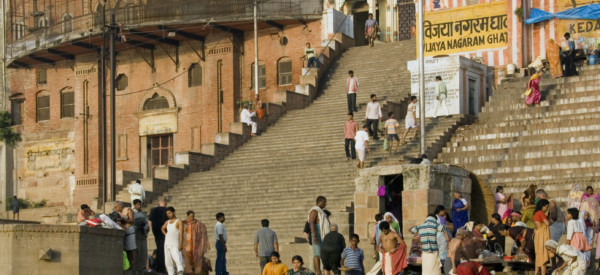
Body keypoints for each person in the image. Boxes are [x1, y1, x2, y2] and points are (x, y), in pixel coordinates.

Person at [308, 196, 330, 275]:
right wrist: (315, 236)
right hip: (316, 232)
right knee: (316, 253)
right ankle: (318, 271)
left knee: (322, 253)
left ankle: (323, 270)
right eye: (324, 202)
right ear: (320, 202)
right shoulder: (314, 210)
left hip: (322, 234)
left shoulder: (321, 211)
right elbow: (311, 222)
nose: (325, 204)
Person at [183, 210, 210, 275]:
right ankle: (188, 271)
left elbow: (203, 233)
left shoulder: (198, 223)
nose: (192, 218)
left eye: (193, 216)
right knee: (186, 259)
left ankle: (197, 272)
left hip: (196, 245)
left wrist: (207, 242)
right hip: (186, 245)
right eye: (191, 216)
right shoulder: (183, 223)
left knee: (197, 258)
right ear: (187, 216)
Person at [114, 201, 137, 270]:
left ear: (121, 205)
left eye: (116, 207)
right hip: (123, 231)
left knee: (132, 249)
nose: (115, 209)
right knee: (126, 250)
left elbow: (132, 221)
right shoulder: (117, 213)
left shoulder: (128, 210)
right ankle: (129, 264)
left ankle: (134, 265)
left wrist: (123, 219)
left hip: (130, 230)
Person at [162, 207, 184, 275]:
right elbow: (162, 228)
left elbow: (181, 234)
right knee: (168, 261)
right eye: (167, 214)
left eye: (169, 213)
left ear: (173, 212)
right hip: (167, 243)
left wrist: (180, 244)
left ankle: (180, 271)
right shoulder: (167, 222)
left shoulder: (178, 222)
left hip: (175, 243)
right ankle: (171, 273)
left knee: (177, 259)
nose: (168, 215)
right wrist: (166, 234)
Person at [149, 197, 169, 273]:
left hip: (156, 231)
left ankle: (158, 266)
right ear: (165, 202)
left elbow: (150, 222)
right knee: (163, 250)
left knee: (159, 248)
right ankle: (161, 267)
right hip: (164, 231)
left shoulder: (153, 210)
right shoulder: (167, 210)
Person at [533, 199, 551, 275]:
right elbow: (547, 223)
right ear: (542, 206)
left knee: (539, 255)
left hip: (537, 236)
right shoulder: (541, 213)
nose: (546, 208)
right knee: (543, 256)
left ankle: (536, 273)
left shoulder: (536, 213)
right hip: (541, 236)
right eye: (546, 207)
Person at [133, 199, 150, 274]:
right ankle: (137, 269)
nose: (139, 206)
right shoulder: (133, 213)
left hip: (143, 234)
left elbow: (146, 223)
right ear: (134, 205)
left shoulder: (143, 213)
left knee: (143, 252)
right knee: (138, 252)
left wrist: (146, 227)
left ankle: (142, 268)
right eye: (137, 204)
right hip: (136, 235)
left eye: (140, 204)